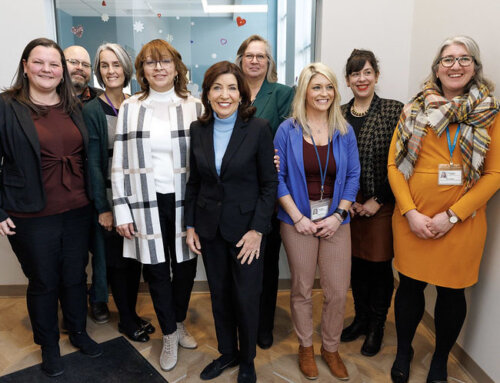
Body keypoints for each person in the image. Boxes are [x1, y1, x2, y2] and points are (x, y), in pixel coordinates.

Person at [387, 36, 500, 383]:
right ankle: (404, 350)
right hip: (413, 221)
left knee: (452, 294)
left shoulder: (490, 114)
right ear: (437, 69)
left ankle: (439, 360)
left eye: (463, 59)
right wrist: (410, 212)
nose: (455, 65)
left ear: (475, 68)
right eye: (448, 59)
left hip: (462, 224)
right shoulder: (413, 109)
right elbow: (394, 165)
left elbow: (494, 175)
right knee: (409, 288)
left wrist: (451, 216)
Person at [0, 37, 102, 377]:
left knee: (75, 277)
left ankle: (78, 332)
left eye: (54, 64)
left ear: (62, 70)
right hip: (30, 213)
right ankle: (49, 346)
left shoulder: (75, 105)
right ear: (26, 66)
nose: (47, 69)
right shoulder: (7, 106)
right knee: (44, 281)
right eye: (39, 62)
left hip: (77, 208)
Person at [111, 39, 201, 372]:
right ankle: (168, 334)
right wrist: (121, 209)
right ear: (142, 71)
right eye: (150, 63)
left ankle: (178, 322)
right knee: (157, 270)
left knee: (187, 267)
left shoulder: (196, 105)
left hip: (185, 201)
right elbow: (119, 161)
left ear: (176, 67)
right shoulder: (131, 106)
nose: (159, 67)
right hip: (145, 201)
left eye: (164, 61)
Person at [185, 61, 277, 383]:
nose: (225, 95)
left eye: (232, 88)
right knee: (220, 295)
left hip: (246, 233)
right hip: (209, 230)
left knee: (246, 297)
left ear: (242, 94)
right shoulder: (198, 130)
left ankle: (248, 359)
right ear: (207, 93)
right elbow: (194, 182)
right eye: (217, 88)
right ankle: (227, 353)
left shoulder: (259, 128)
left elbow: (269, 185)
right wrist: (190, 225)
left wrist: (257, 231)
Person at [274, 62, 360, 380]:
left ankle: (330, 348)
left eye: (328, 87)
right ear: (304, 91)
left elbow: (353, 176)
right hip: (298, 222)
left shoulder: (344, 130)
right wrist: (298, 218)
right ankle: (306, 347)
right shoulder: (287, 130)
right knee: (302, 288)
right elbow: (277, 177)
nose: (323, 93)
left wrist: (339, 215)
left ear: (335, 91)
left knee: (338, 291)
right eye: (316, 87)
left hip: (336, 221)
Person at [83, 43, 155, 342]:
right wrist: (104, 208)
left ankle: (132, 313)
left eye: (116, 64)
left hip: (139, 199)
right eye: (104, 65)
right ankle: (125, 319)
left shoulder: (138, 103)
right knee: (116, 263)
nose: (110, 71)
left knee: (134, 261)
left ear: (126, 68)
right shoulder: (91, 110)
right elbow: (94, 165)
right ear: (98, 72)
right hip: (112, 201)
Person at [340, 49, 403, 356]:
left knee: (378, 267)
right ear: (348, 80)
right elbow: (333, 161)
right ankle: (361, 318)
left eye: (367, 72)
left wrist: (379, 199)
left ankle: (377, 325)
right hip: (347, 204)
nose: (361, 79)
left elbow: (403, 161)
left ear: (376, 75)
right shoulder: (338, 113)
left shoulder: (394, 110)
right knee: (354, 265)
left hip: (382, 201)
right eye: (355, 74)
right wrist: (346, 200)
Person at [235, 34, 294, 349]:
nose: (255, 60)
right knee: (238, 260)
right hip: (233, 189)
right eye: (249, 55)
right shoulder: (231, 90)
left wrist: (274, 157)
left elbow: (289, 136)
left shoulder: (283, 93)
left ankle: (263, 325)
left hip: (267, 190)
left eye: (261, 56)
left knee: (267, 262)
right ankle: (239, 320)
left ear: (268, 63)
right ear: (241, 59)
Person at [64, 44, 107, 323]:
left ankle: (99, 300)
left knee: (101, 252)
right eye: (72, 62)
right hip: (66, 192)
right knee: (72, 257)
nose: (79, 68)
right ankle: (72, 309)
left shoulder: (101, 100)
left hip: (97, 187)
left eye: (85, 64)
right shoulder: (50, 100)